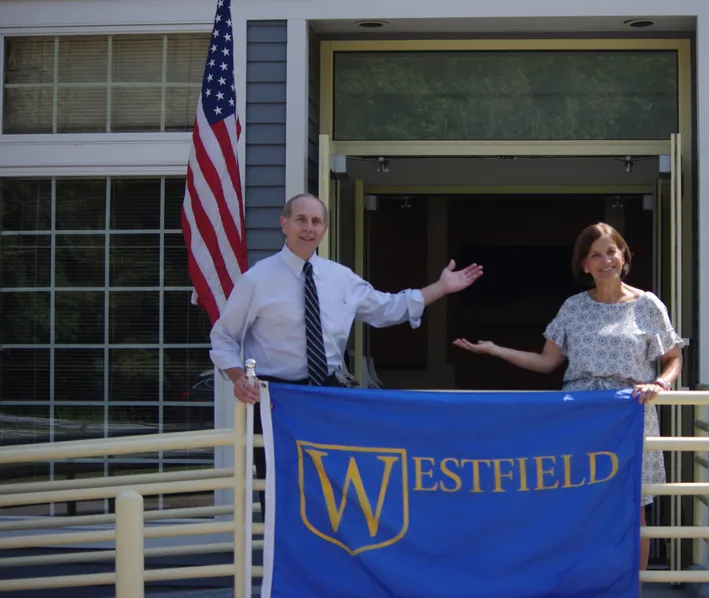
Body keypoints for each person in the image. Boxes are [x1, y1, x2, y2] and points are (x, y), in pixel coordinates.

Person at [210, 193, 483, 519]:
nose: (308, 228)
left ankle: (328, 565)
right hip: (275, 398)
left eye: (316, 221)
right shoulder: (257, 279)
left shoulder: (340, 278)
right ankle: (284, 567)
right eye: (301, 219)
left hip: (327, 395)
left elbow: (388, 309)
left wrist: (440, 288)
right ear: (284, 224)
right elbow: (224, 337)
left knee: (333, 490)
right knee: (279, 492)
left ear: (324, 228)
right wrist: (238, 378)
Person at [453, 221, 683, 577]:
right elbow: (548, 362)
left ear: (623, 255)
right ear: (584, 265)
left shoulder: (647, 305)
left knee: (632, 509)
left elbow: (672, 358)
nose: (606, 260)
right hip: (580, 419)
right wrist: (496, 350)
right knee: (578, 505)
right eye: (596, 255)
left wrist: (662, 385)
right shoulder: (573, 308)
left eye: (612, 251)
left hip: (631, 414)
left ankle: (630, 590)